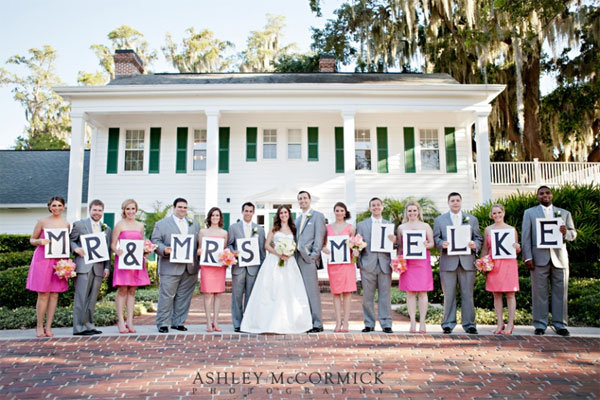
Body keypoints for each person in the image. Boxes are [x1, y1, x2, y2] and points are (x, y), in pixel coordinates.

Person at [240, 205, 312, 334]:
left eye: (285, 212)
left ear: (289, 214)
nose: (283, 215)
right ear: (278, 215)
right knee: (271, 291)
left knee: (290, 291)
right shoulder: (274, 228)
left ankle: (291, 323)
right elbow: (267, 245)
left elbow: (296, 245)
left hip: (289, 262)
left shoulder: (293, 229)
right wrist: (279, 254)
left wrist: (289, 253)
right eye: (281, 213)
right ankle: (268, 323)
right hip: (274, 261)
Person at [522, 186, 577, 336]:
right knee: (539, 293)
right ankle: (540, 324)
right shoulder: (530, 213)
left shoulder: (564, 213)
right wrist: (527, 257)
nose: (545, 195)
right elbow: (525, 237)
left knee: (561, 292)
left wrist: (566, 233)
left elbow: (574, 234)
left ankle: (560, 324)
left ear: (552, 195)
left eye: (547, 193)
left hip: (559, 258)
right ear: (537, 196)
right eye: (541, 193)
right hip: (538, 259)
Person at [433, 192, 483, 334]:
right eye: (452, 200)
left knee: (468, 294)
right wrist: (441, 243)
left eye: (457, 200)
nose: (455, 203)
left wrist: (475, 244)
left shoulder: (471, 219)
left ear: (461, 202)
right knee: (449, 294)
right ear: (448, 203)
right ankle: (448, 323)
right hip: (448, 262)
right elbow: (436, 239)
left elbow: (479, 238)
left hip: (467, 262)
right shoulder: (440, 220)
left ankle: (469, 324)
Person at [151, 198, 200, 334]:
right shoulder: (161, 224)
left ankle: (178, 322)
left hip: (189, 266)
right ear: (174, 207)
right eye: (180, 207)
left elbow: (198, 243)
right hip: (170, 266)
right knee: (166, 296)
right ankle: (162, 323)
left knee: (184, 296)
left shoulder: (194, 224)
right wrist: (164, 249)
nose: (182, 209)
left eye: (185, 207)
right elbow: (155, 241)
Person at [26, 196, 70, 338]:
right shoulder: (42, 221)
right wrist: (39, 241)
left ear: (63, 207)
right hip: (43, 259)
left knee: (55, 294)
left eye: (59, 205)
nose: (56, 208)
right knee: (43, 293)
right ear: (49, 207)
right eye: (53, 205)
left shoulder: (66, 224)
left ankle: (49, 326)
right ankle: (39, 325)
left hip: (58, 261)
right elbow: (32, 239)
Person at [70, 199, 112, 336]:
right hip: (84, 266)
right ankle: (78, 327)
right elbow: (71, 240)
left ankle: (89, 325)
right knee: (81, 297)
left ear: (102, 212)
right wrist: (76, 249)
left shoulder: (106, 229)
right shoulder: (79, 225)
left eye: (100, 210)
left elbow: (107, 250)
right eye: (95, 210)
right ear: (90, 210)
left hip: (98, 268)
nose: (97, 213)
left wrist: (107, 267)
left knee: (92, 299)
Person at [356, 197, 396, 333]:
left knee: (385, 295)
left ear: (382, 207)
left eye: (378, 205)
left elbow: (395, 245)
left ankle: (386, 323)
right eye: (373, 205)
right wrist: (358, 258)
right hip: (368, 264)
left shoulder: (389, 224)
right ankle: (369, 323)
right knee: (368, 296)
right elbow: (357, 243)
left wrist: (394, 241)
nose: (376, 207)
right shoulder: (362, 225)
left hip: (384, 264)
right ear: (370, 208)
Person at [111, 199, 150, 334]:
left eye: (133, 209)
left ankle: (130, 321)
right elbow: (113, 244)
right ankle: (120, 321)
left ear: (136, 210)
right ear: (124, 210)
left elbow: (141, 243)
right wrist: (117, 251)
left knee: (132, 291)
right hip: (123, 261)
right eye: (128, 209)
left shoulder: (140, 226)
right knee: (122, 290)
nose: (131, 211)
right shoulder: (119, 225)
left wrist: (145, 252)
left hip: (135, 262)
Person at [480, 204, 521, 335]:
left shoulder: (511, 229)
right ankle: (499, 323)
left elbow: (517, 249)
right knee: (496, 293)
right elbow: (485, 248)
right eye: (494, 213)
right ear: (491, 215)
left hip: (508, 264)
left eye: (499, 212)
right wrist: (483, 263)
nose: (497, 215)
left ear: (504, 213)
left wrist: (517, 246)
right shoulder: (488, 230)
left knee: (510, 294)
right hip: (494, 264)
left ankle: (510, 323)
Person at [396, 201, 434, 333]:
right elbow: (400, 247)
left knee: (423, 292)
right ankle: (412, 322)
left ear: (418, 211)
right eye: (409, 211)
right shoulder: (401, 227)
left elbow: (432, 244)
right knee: (410, 292)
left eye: (414, 210)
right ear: (406, 212)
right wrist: (399, 262)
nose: (412, 213)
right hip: (409, 263)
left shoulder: (425, 226)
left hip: (422, 263)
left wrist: (426, 244)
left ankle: (422, 322)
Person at [227, 202, 266, 332]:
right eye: (246, 211)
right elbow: (229, 245)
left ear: (253, 212)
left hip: (253, 268)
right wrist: (233, 252)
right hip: (239, 267)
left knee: (251, 296)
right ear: (242, 211)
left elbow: (261, 250)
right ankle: (237, 323)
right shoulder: (234, 228)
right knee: (237, 296)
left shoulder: (259, 229)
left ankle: (248, 322)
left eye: (250, 211)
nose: (248, 213)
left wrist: (262, 267)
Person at [294, 190, 326, 333]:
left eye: (305, 198)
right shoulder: (297, 219)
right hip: (296, 259)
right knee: (301, 292)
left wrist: (314, 256)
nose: (303, 201)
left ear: (310, 199)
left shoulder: (318, 216)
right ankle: (306, 322)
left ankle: (317, 323)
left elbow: (319, 238)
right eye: (300, 199)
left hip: (309, 259)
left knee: (312, 292)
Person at [322, 202, 356, 333]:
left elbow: (355, 244)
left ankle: (346, 322)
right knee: (336, 293)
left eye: (342, 210)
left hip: (347, 264)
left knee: (347, 292)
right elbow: (323, 244)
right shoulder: (328, 228)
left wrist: (356, 250)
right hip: (334, 264)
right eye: (337, 210)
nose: (339, 213)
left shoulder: (350, 228)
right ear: (334, 212)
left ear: (345, 212)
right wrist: (324, 249)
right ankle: (337, 322)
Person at [197, 207, 228, 332]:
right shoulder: (203, 232)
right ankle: (208, 322)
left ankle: (216, 321)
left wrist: (227, 257)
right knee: (208, 294)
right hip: (207, 266)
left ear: (220, 218)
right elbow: (199, 250)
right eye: (213, 215)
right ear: (209, 217)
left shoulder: (224, 233)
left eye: (217, 215)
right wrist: (199, 251)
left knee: (218, 294)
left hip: (218, 267)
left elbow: (224, 250)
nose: (215, 217)